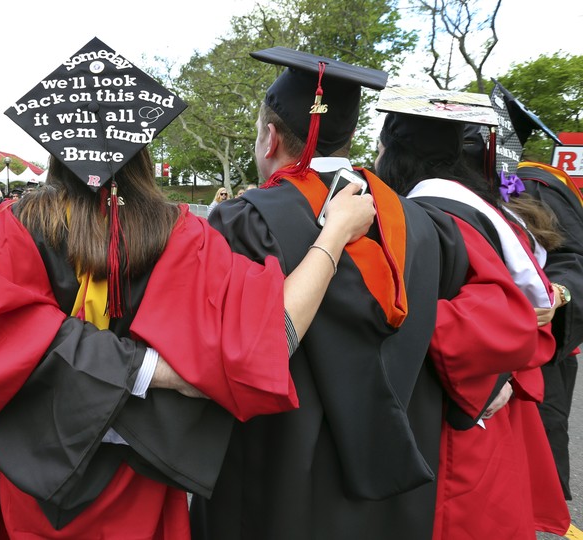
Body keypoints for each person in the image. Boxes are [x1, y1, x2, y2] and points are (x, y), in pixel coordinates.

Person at [0, 37, 374, 539]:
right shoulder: (183, 235)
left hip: (33, 485)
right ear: (144, 148)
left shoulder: (15, 229)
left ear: (56, 149)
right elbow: (273, 337)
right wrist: (333, 237)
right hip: (137, 487)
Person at [191, 48, 544, 540]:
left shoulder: (245, 219)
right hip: (393, 480)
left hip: (276, 477)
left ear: (270, 138)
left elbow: (218, 346)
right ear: (352, 135)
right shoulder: (426, 222)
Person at [374, 91, 569, 538]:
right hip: (486, 410)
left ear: (400, 154)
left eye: (383, 148)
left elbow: (488, 320)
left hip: (454, 422)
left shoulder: (432, 218)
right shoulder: (487, 211)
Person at [463, 83, 583, 501]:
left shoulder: (533, 187)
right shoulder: (456, 188)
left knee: (523, 470)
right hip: (478, 351)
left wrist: (559, 293)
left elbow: (572, 258)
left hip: (537, 350)